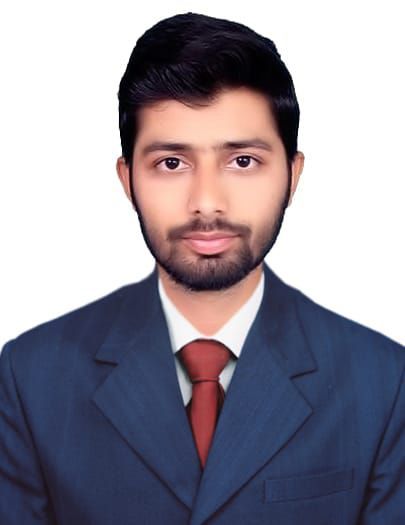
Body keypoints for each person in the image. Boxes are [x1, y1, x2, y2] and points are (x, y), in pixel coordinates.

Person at [0, 11, 403, 525]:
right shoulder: (30, 376)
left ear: (292, 174)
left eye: (242, 161)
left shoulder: (384, 383)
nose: (207, 202)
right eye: (171, 163)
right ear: (128, 179)